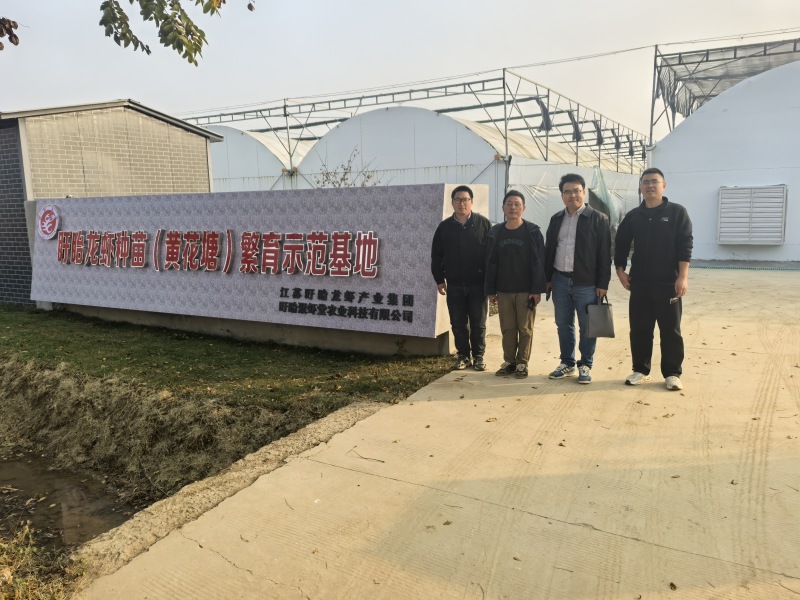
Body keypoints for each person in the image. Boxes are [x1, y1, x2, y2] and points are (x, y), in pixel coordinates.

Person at [614, 168, 693, 391]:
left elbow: (685, 244)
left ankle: (672, 373)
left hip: (669, 283)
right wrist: (620, 271)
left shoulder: (677, 212)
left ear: (663, 185)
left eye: (654, 182)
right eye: (646, 182)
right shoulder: (634, 216)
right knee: (640, 329)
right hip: (640, 283)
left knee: (670, 330)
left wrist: (683, 277)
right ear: (640, 186)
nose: (650, 186)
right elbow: (621, 243)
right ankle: (640, 370)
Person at [544, 173, 611, 385]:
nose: (572, 195)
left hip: (587, 283)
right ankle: (567, 362)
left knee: (587, 325)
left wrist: (603, 283)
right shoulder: (556, 219)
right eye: (567, 192)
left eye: (576, 191)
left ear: (584, 192)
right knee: (563, 324)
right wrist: (548, 278)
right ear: (562, 195)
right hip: (560, 280)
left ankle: (585, 364)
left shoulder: (598, 219)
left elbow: (605, 254)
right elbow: (549, 250)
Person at [485, 190, 547, 379]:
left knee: (525, 328)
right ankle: (509, 361)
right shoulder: (495, 232)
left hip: (526, 290)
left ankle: (522, 363)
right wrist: (491, 289)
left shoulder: (532, 232)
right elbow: (490, 262)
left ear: (523, 208)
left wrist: (537, 290)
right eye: (509, 204)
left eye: (517, 204)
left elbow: (540, 262)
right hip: (503, 290)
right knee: (507, 328)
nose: (513, 207)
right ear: (503, 208)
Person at [431, 185, 491, 371]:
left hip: (478, 284)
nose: (461, 203)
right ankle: (463, 356)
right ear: (452, 203)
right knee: (458, 323)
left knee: (478, 323)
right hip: (455, 285)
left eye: (465, 200)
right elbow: (436, 255)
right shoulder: (444, 227)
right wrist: (439, 279)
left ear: (472, 202)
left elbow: (491, 256)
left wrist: (491, 283)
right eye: (458, 200)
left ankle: (479, 356)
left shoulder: (483, 224)